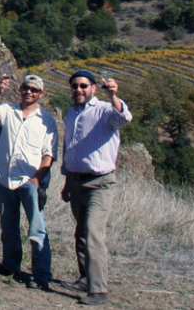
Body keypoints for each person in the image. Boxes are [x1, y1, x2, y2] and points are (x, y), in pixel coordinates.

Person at [60, 70, 133, 307]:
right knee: (81, 233)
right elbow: (69, 147)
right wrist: (66, 181)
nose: (78, 90)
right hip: (76, 181)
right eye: (75, 86)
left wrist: (113, 96)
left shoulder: (104, 110)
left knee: (93, 233)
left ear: (93, 88)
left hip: (100, 184)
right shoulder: (71, 114)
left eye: (83, 86)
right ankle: (85, 278)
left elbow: (124, 118)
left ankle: (99, 290)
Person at [0, 73, 57, 290]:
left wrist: (37, 180)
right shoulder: (8, 110)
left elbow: (49, 153)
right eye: (26, 87)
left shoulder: (47, 120)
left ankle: (41, 274)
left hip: (30, 182)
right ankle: (10, 265)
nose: (28, 92)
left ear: (41, 94)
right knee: (9, 226)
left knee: (37, 229)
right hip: (5, 178)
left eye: (34, 90)